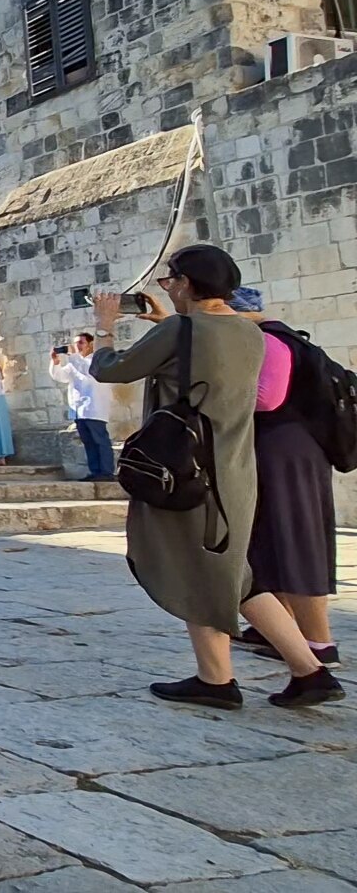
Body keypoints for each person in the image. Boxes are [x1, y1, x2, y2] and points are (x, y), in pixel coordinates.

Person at [90, 252, 342, 709]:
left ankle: (242, 677)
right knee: (229, 572)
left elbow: (109, 369)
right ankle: (289, 671)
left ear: (187, 283)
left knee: (203, 568)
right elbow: (205, 352)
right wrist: (168, 321)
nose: (166, 287)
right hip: (233, 470)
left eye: (169, 281)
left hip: (187, 469)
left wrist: (105, 325)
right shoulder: (251, 332)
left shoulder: (181, 332)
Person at [229, 288, 341, 670]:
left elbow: (268, 398)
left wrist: (216, 390)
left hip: (286, 452)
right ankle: (280, 628)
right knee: (270, 537)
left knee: (296, 539)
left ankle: (320, 642)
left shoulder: (271, 340)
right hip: (276, 450)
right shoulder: (270, 337)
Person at [49, 332, 116, 482]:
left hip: (95, 407)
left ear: (90, 344)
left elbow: (87, 374)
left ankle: (107, 471)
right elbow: (61, 376)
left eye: (80, 343)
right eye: (76, 343)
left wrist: (72, 356)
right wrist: (55, 362)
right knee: (89, 443)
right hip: (79, 409)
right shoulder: (75, 363)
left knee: (100, 441)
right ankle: (95, 471)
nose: (77, 346)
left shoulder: (95, 360)